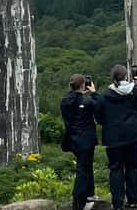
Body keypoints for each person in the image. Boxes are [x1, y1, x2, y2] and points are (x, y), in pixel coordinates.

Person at [94, 64, 137, 210]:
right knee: (134, 167)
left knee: (116, 169)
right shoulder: (134, 91)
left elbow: (98, 116)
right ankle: (133, 201)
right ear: (126, 76)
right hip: (134, 135)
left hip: (113, 138)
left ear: (112, 78)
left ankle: (117, 203)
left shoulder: (104, 96)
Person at [60, 74, 99, 210]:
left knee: (85, 166)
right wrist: (94, 93)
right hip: (86, 139)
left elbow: (74, 101)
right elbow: (99, 107)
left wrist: (81, 93)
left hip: (73, 139)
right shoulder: (87, 102)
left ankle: (89, 193)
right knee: (83, 168)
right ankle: (78, 200)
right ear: (83, 85)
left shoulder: (65, 101)